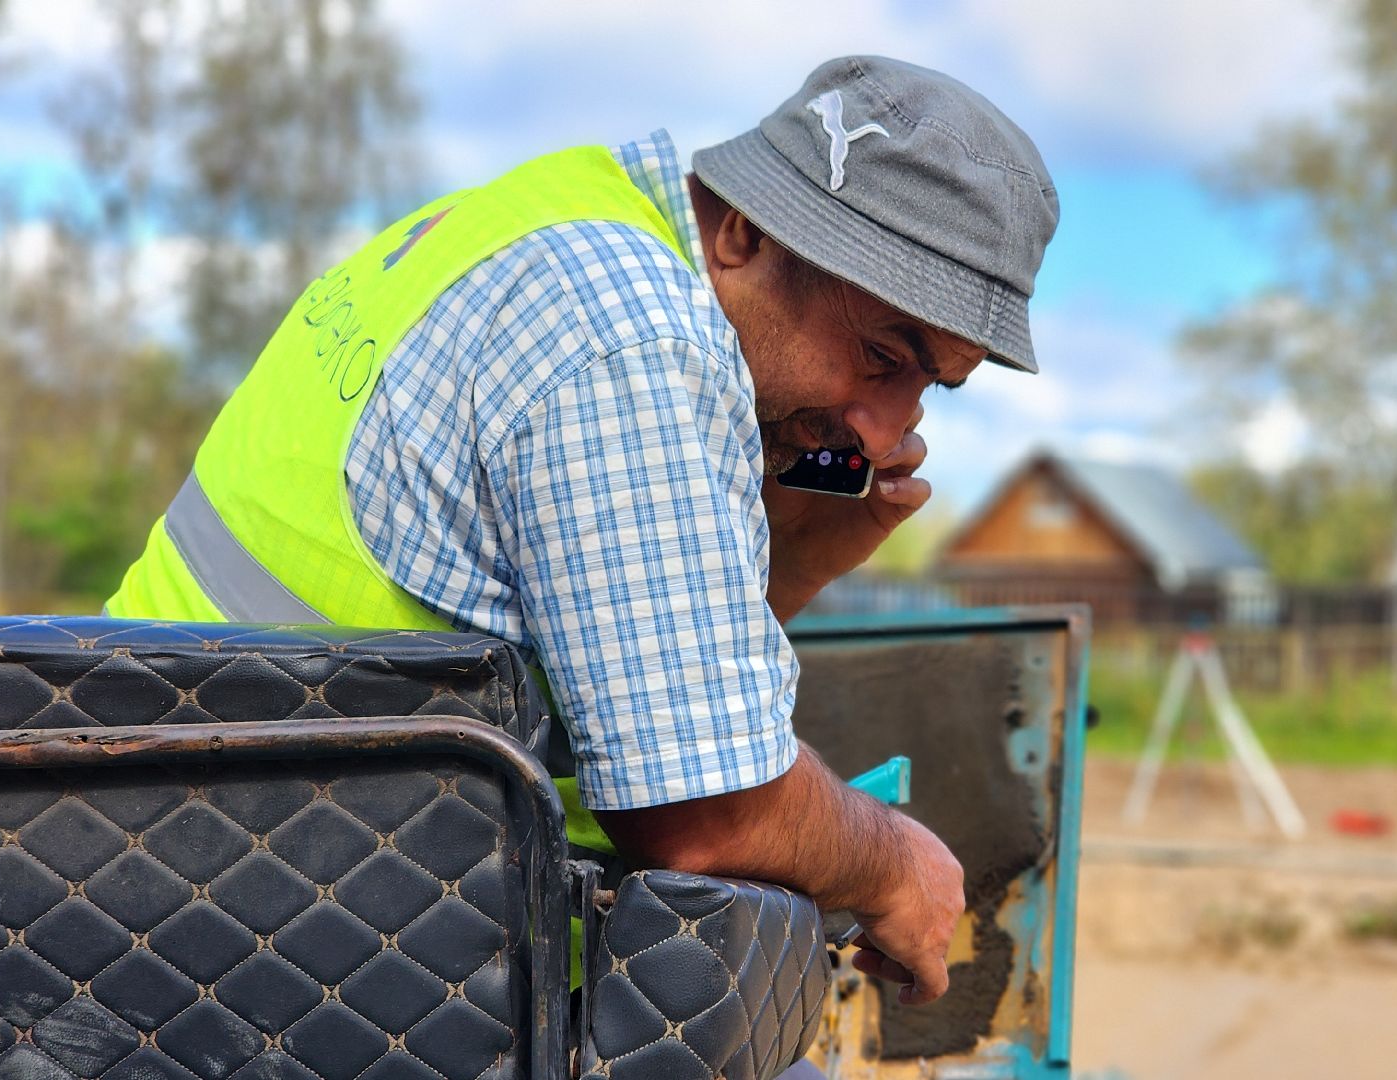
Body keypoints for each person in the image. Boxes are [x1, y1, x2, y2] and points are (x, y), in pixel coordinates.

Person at [106, 55, 1058, 1007]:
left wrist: (793, 558)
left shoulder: (558, 212)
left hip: (172, 833)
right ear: (745, 232)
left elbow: (622, 681)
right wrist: (892, 864)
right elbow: (702, 812)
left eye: (931, 385)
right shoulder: (633, 337)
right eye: (882, 356)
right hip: (268, 932)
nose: (886, 433)